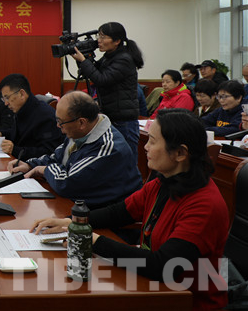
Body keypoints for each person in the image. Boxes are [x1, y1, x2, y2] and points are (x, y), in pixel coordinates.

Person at [31, 110, 229, 310]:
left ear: (180, 153)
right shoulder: (163, 183)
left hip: (187, 302)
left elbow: (164, 266)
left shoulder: (204, 205)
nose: (145, 147)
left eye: (152, 141)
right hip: (151, 290)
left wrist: (94, 241)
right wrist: (73, 221)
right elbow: (120, 212)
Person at [8, 91, 141, 208]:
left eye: (61, 122)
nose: (58, 126)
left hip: (106, 217)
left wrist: (42, 170)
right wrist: (30, 165)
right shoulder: (79, 132)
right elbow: (56, 157)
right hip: (79, 205)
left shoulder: (107, 148)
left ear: (81, 122)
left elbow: (66, 183)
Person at [71, 22, 144, 155]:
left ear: (117, 41)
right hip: (113, 117)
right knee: (113, 161)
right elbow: (94, 71)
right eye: (99, 36)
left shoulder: (124, 59)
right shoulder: (110, 56)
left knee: (126, 160)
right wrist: (82, 57)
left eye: (103, 37)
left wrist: (84, 61)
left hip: (123, 121)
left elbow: (102, 79)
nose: (99, 40)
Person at [0, 73, 63, 159]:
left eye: (7, 98)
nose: (6, 103)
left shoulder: (45, 116)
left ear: (22, 94)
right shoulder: (22, 109)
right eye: (4, 99)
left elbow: (49, 152)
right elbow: (17, 133)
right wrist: (0, 133)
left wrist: (14, 150)